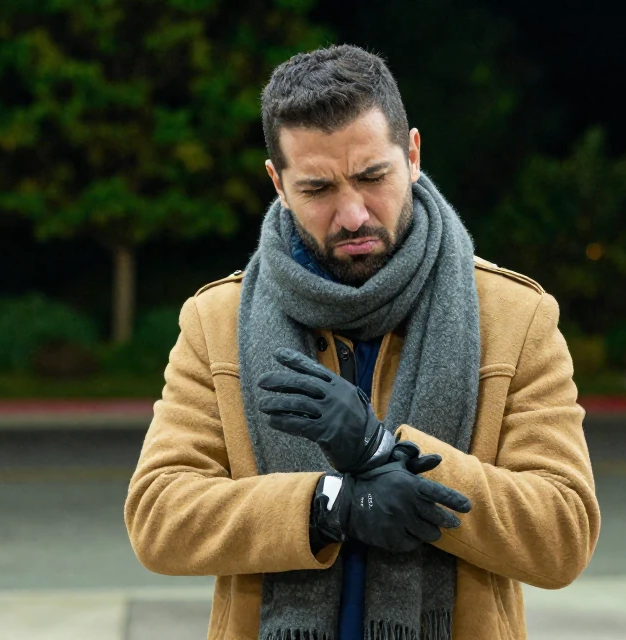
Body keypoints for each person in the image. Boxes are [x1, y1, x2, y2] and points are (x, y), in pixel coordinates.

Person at [124, 43, 600, 639]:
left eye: (373, 177)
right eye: (318, 190)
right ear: (278, 182)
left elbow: (562, 534)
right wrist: (329, 505)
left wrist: (380, 451)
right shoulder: (215, 321)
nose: (352, 215)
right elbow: (159, 517)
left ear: (413, 155)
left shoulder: (514, 317)